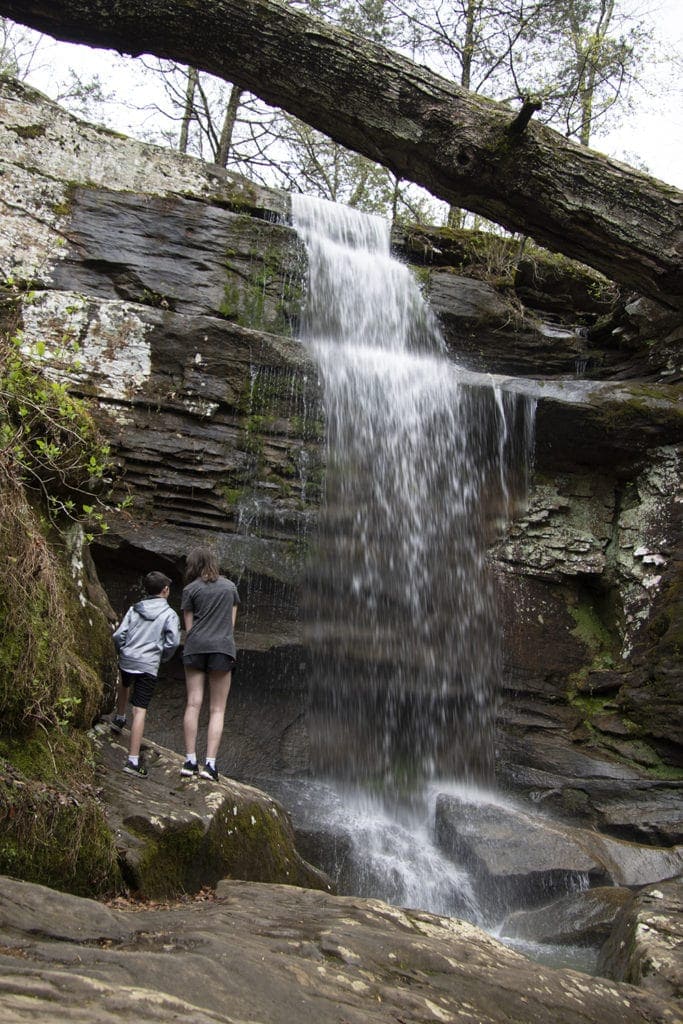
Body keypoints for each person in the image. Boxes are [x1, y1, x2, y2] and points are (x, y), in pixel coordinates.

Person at [111, 571, 181, 778]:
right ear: (165, 590)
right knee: (140, 711)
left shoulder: (135, 609)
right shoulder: (169, 615)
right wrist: (162, 655)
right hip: (148, 664)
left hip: (128, 657)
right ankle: (132, 761)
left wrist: (123, 649)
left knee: (124, 681)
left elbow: (118, 634)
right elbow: (173, 642)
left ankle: (119, 716)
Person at [180, 546, 240, 781]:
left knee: (193, 703)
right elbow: (230, 624)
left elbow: (189, 627)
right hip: (221, 648)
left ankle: (189, 760)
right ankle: (211, 766)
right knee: (217, 709)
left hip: (195, 647)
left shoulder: (190, 589)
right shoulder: (230, 588)